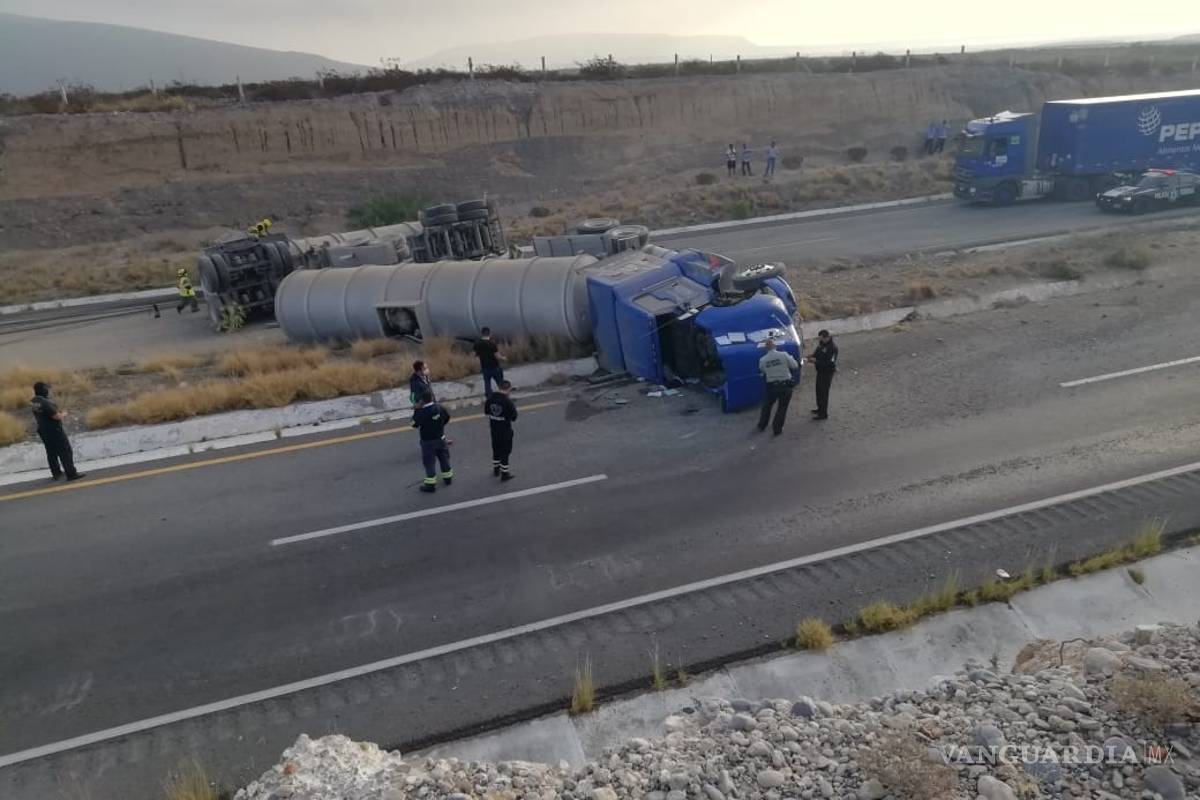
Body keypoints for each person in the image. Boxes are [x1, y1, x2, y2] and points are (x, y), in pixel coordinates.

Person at [30, 382, 83, 481]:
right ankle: (71, 473)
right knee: (65, 451)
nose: (48, 391)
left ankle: (56, 473)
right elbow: (56, 417)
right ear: (43, 390)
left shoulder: (34, 402)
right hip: (54, 430)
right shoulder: (45, 403)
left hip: (43, 431)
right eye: (46, 389)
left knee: (51, 452)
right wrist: (64, 413)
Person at [411, 391, 453, 493]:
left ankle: (430, 485)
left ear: (422, 401)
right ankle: (448, 479)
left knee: (429, 463)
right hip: (440, 438)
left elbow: (413, 424)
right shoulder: (439, 408)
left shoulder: (421, 412)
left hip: (428, 442)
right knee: (444, 459)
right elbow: (447, 418)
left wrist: (416, 411)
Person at [756, 337, 799, 436]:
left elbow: (762, 371)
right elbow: (795, 366)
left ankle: (762, 425)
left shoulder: (762, 360)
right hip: (786, 386)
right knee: (782, 408)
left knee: (767, 406)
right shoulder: (783, 355)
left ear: (765, 349)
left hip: (772, 387)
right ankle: (777, 429)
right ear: (775, 346)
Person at [486, 379, 519, 482]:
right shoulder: (507, 402)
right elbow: (514, 417)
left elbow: (487, 412)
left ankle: (496, 469)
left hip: (494, 430)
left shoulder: (490, 399)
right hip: (505, 431)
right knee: (505, 452)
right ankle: (504, 474)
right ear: (508, 389)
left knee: (496, 449)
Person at [806, 329, 839, 420]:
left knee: (824, 393)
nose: (820, 340)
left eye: (822, 338)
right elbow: (817, 353)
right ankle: (819, 408)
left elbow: (830, 363)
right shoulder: (821, 344)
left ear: (827, 337)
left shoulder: (832, 348)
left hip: (827, 372)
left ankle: (823, 414)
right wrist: (811, 356)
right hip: (820, 371)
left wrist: (816, 361)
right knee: (818, 391)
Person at [473, 327, 505, 396]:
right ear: (489, 333)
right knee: (500, 383)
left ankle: (489, 398)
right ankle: (504, 397)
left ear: (482, 333)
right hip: (495, 366)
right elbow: (497, 355)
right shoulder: (492, 343)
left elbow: (476, 355)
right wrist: (503, 358)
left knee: (487, 384)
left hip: (485, 367)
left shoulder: (477, 344)